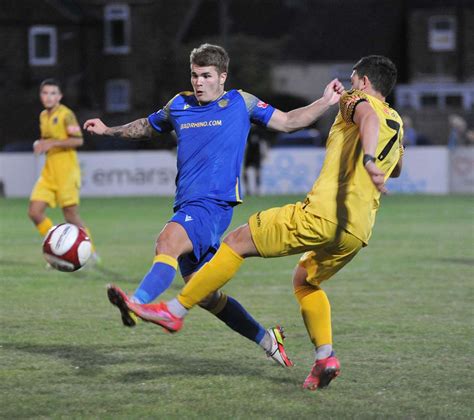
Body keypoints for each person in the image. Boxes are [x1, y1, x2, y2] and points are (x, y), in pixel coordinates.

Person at [118, 55, 404, 391]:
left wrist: (367, 157)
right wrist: (376, 161)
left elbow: (367, 116)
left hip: (323, 214)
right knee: (305, 281)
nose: (352, 84)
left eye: (354, 79)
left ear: (364, 81)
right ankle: (325, 355)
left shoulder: (357, 100)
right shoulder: (396, 121)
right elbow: (396, 167)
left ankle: (175, 310)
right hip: (357, 231)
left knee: (236, 242)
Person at [84, 43, 344, 367]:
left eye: (206, 75)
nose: (199, 82)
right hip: (188, 204)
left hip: (213, 206)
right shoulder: (179, 105)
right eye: (194, 75)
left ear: (222, 76)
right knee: (205, 295)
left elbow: (289, 121)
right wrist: (108, 129)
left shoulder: (240, 103)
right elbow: (147, 127)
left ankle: (137, 304)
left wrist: (325, 101)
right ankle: (268, 340)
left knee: (167, 242)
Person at [28, 79, 98, 260]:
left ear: (59, 96)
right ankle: (55, 248)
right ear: (41, 95)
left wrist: (51, 143)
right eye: (45, 93)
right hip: (49, 172)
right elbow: (47, 141)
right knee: (34, 212)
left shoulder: (66, 114)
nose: (48, 97)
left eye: (53, 93)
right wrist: (42, 145)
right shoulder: (43, 116)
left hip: (67, 171)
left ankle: (89, 252)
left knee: (70, 215)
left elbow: (78, 140)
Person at [243, 127, 268, 196]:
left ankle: (257, 190)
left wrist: (264, 153)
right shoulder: (247, 129)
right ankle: (247, 190)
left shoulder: (259, 130)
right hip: (249, 154)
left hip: (256, 155)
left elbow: (263, 142)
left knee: (257, 172)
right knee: (245, 172)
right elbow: (244, 142)